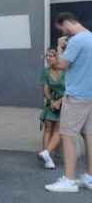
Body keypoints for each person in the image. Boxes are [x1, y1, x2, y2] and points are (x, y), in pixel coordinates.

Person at [45, 12, 92, 192]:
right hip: (90, 95)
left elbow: (59, 65)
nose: (63, 32)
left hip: (76, 96)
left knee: (67, 136)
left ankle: (69, 180)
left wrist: (59, 47)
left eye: (62, 29)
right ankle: (89, 177)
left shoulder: (77, 40)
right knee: (90, 136)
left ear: (66, 24)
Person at [39, 48, 65, 170]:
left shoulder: (66, 71)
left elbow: (70, 89)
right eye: (47, 56)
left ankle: (47, 153)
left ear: (58, 57)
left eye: (52, 55)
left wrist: (59, 102)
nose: (48, 58)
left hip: (65, 102)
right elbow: (45, 90)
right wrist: (51, 101)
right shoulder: (45, 71)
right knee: (48, 128)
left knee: (58, 129)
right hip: (51, 102)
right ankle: (47, 158)